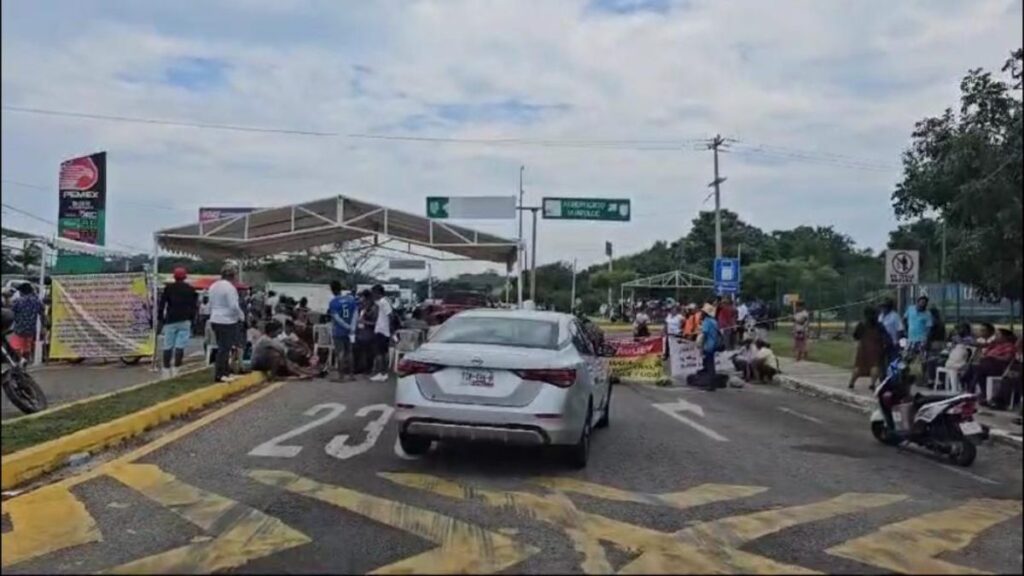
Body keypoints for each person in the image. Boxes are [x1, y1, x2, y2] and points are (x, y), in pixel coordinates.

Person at [158, 267, 198, 379]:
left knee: (168, 346)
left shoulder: (168, 288)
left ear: (174, 277)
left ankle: (166, 371)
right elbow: (194, 307)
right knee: (180, 346)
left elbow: (162, 305)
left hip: (171, 320)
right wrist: (192, 319)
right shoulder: (190, 289)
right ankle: (176, 369)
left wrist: (160, 318)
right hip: (185, 320)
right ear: (185, 277)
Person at [208, 265, 245, 383]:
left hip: (215, 318)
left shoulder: (213, 286)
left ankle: (225, 372)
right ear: (232, 276)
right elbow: (233, 305)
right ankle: (221, 374)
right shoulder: (230, 288)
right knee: (225, 348)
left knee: (222, 347)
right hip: (227, 320)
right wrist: (241, 316)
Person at [968, 329, 1018, 397]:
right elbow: (984, 354)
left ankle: (972, 390)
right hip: (987, 367)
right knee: (977, 368)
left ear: (1005, 337)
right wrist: (990, 347)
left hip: (1000, 368)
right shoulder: (994, 345)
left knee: (978, 368)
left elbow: (1007, 359)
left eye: (998, 335)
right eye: (995, 335)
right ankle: (979, 392)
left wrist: (993, 356)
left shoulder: (1009, 346)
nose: (995, 336)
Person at [328, 280, 358, 382]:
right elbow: (355, 314)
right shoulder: (351, 299)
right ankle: (351, 375)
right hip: (350, 331)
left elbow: (336, 318)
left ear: (332, 290)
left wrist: (346, 326)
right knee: (350, 352)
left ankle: (341, 376)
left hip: (338, 330)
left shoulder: (333, 302)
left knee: (340, 352)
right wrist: (352, 327)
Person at [849, 306, 885, 391]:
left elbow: (855, 336)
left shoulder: (862, 324)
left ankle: (852, 382)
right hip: (875, 347)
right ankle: (872, 384)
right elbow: (884, 336)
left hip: (863, 347)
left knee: (858, 366)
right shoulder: (878, 325)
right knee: (875, 365)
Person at [9, 283, 46, 359]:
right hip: (31, 328)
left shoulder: (18, 301)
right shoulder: (37, 301)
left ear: (22, 292)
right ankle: (25, 359)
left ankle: (21, 359)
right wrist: (44, 325)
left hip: (19, 328)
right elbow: (42, 313)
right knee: (27, 346)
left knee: (14, 345)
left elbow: (10, 312)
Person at [370, 285, 393, 382]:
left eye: (374, 293)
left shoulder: (384, 302)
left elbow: (390, 315)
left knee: (380, 353)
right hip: (382, 330)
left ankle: (381, 373)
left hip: (382, 330)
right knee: (383, 353)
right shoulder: (382, 302)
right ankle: (383, 373)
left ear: (378, 292)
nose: (373, 295)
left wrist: (389, 328)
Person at [697, 303, 720, 392]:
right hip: (713, 345)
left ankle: (710, 384)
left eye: (702, 312)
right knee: (711, 365)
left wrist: (701, 348)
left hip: (708, 346)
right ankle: (711, 383)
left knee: (708, 366)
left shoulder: (706, 321)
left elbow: (704, 335)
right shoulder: (714, 321)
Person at [355, 290, 377, 374]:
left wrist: (364, 322)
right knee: (358, 350)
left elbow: (375, 323)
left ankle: (368, 369)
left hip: (369, 333)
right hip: (360, 332)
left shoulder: (373, 308)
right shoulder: (361, 307)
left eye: (362, 297)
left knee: (369, 352)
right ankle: (358, 368)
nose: (361, 300)